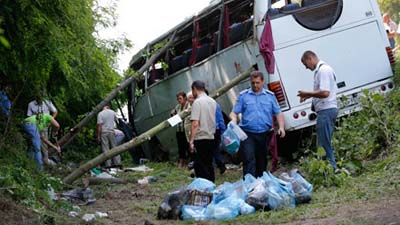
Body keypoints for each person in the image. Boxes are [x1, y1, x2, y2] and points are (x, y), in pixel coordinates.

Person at [230, 71, 285, 178]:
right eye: (253, 83)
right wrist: (233, 120)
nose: (255, 85)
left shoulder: (270, 96)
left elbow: (278, 112)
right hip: (247, 134)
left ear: (262, 82)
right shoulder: (243, 96)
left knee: (262, 160)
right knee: (248, 159)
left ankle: (260, 184)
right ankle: (250, 184)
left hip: (264, 134)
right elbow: (234, 112)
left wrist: (281, 127)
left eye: (257, 83)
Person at [297, 50, 338, 169]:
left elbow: (325, 93)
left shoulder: (323, 70)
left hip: (326, 110)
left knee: (324, 145)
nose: (306, 68)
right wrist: (309, 96)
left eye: (305, 64)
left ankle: (332, 170)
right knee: (323, 143)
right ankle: (327, 169)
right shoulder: (320, 71)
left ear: (310, 58)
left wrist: (307, 92)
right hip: (325, 110)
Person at [189, 80, 217, 182]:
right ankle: (211, 186)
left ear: (194, 89)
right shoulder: (212, 101)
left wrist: (191, 141)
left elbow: (195, 124)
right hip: (211, 136)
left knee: (200, 167)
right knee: (209, 165)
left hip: (200, 138)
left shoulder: (197, 102)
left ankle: (203, 189)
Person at [27, 94, 58, 166]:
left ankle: (45, 160)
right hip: (34, 126)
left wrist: (50, 121)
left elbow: (55, 111)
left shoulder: (47, 103)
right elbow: (29, 116)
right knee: (34, 142)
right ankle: (33, 161)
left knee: (44, 144)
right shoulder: (31, 104)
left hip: (44, 125)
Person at [171, 91, 190, 168]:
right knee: (180, 146)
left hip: (186, 129)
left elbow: (186, 114)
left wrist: (177, 116)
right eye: (178, 99)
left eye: (180, 98)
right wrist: (173, 115)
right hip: (179, 129)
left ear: (184, 98)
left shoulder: (188, 105)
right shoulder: (178, 106)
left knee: (188, 145)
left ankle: (190, 162)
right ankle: (182, 161)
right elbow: (172, 114)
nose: (179, 100)